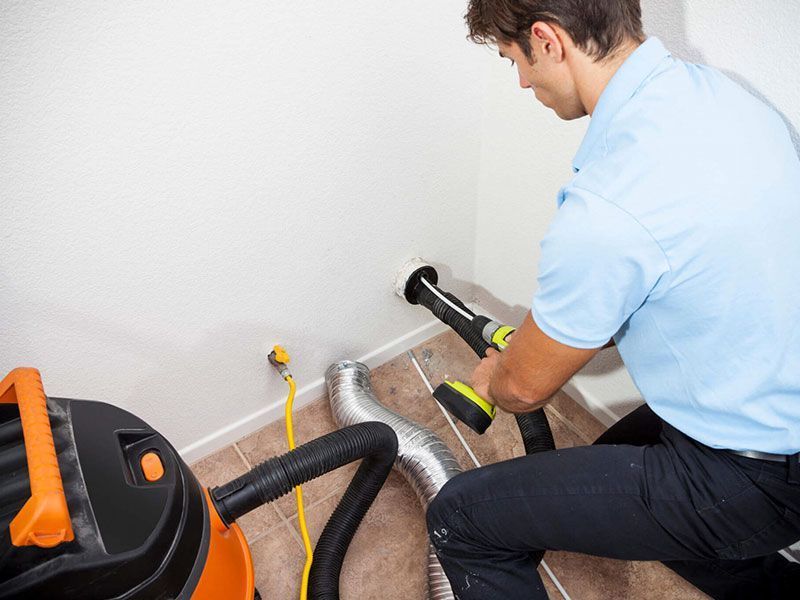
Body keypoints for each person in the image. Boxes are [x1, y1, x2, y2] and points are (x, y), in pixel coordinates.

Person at [425, 1, 800, 598]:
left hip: (754, 470)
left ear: (548, 40)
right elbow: (635, 288)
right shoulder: (724, 102)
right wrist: (536, 342)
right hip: (774, 412)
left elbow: (525, 389)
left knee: (461, 517)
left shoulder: (610, 205)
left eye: (514, 60)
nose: (522, 81)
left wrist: (499, 377)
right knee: (610, 462)